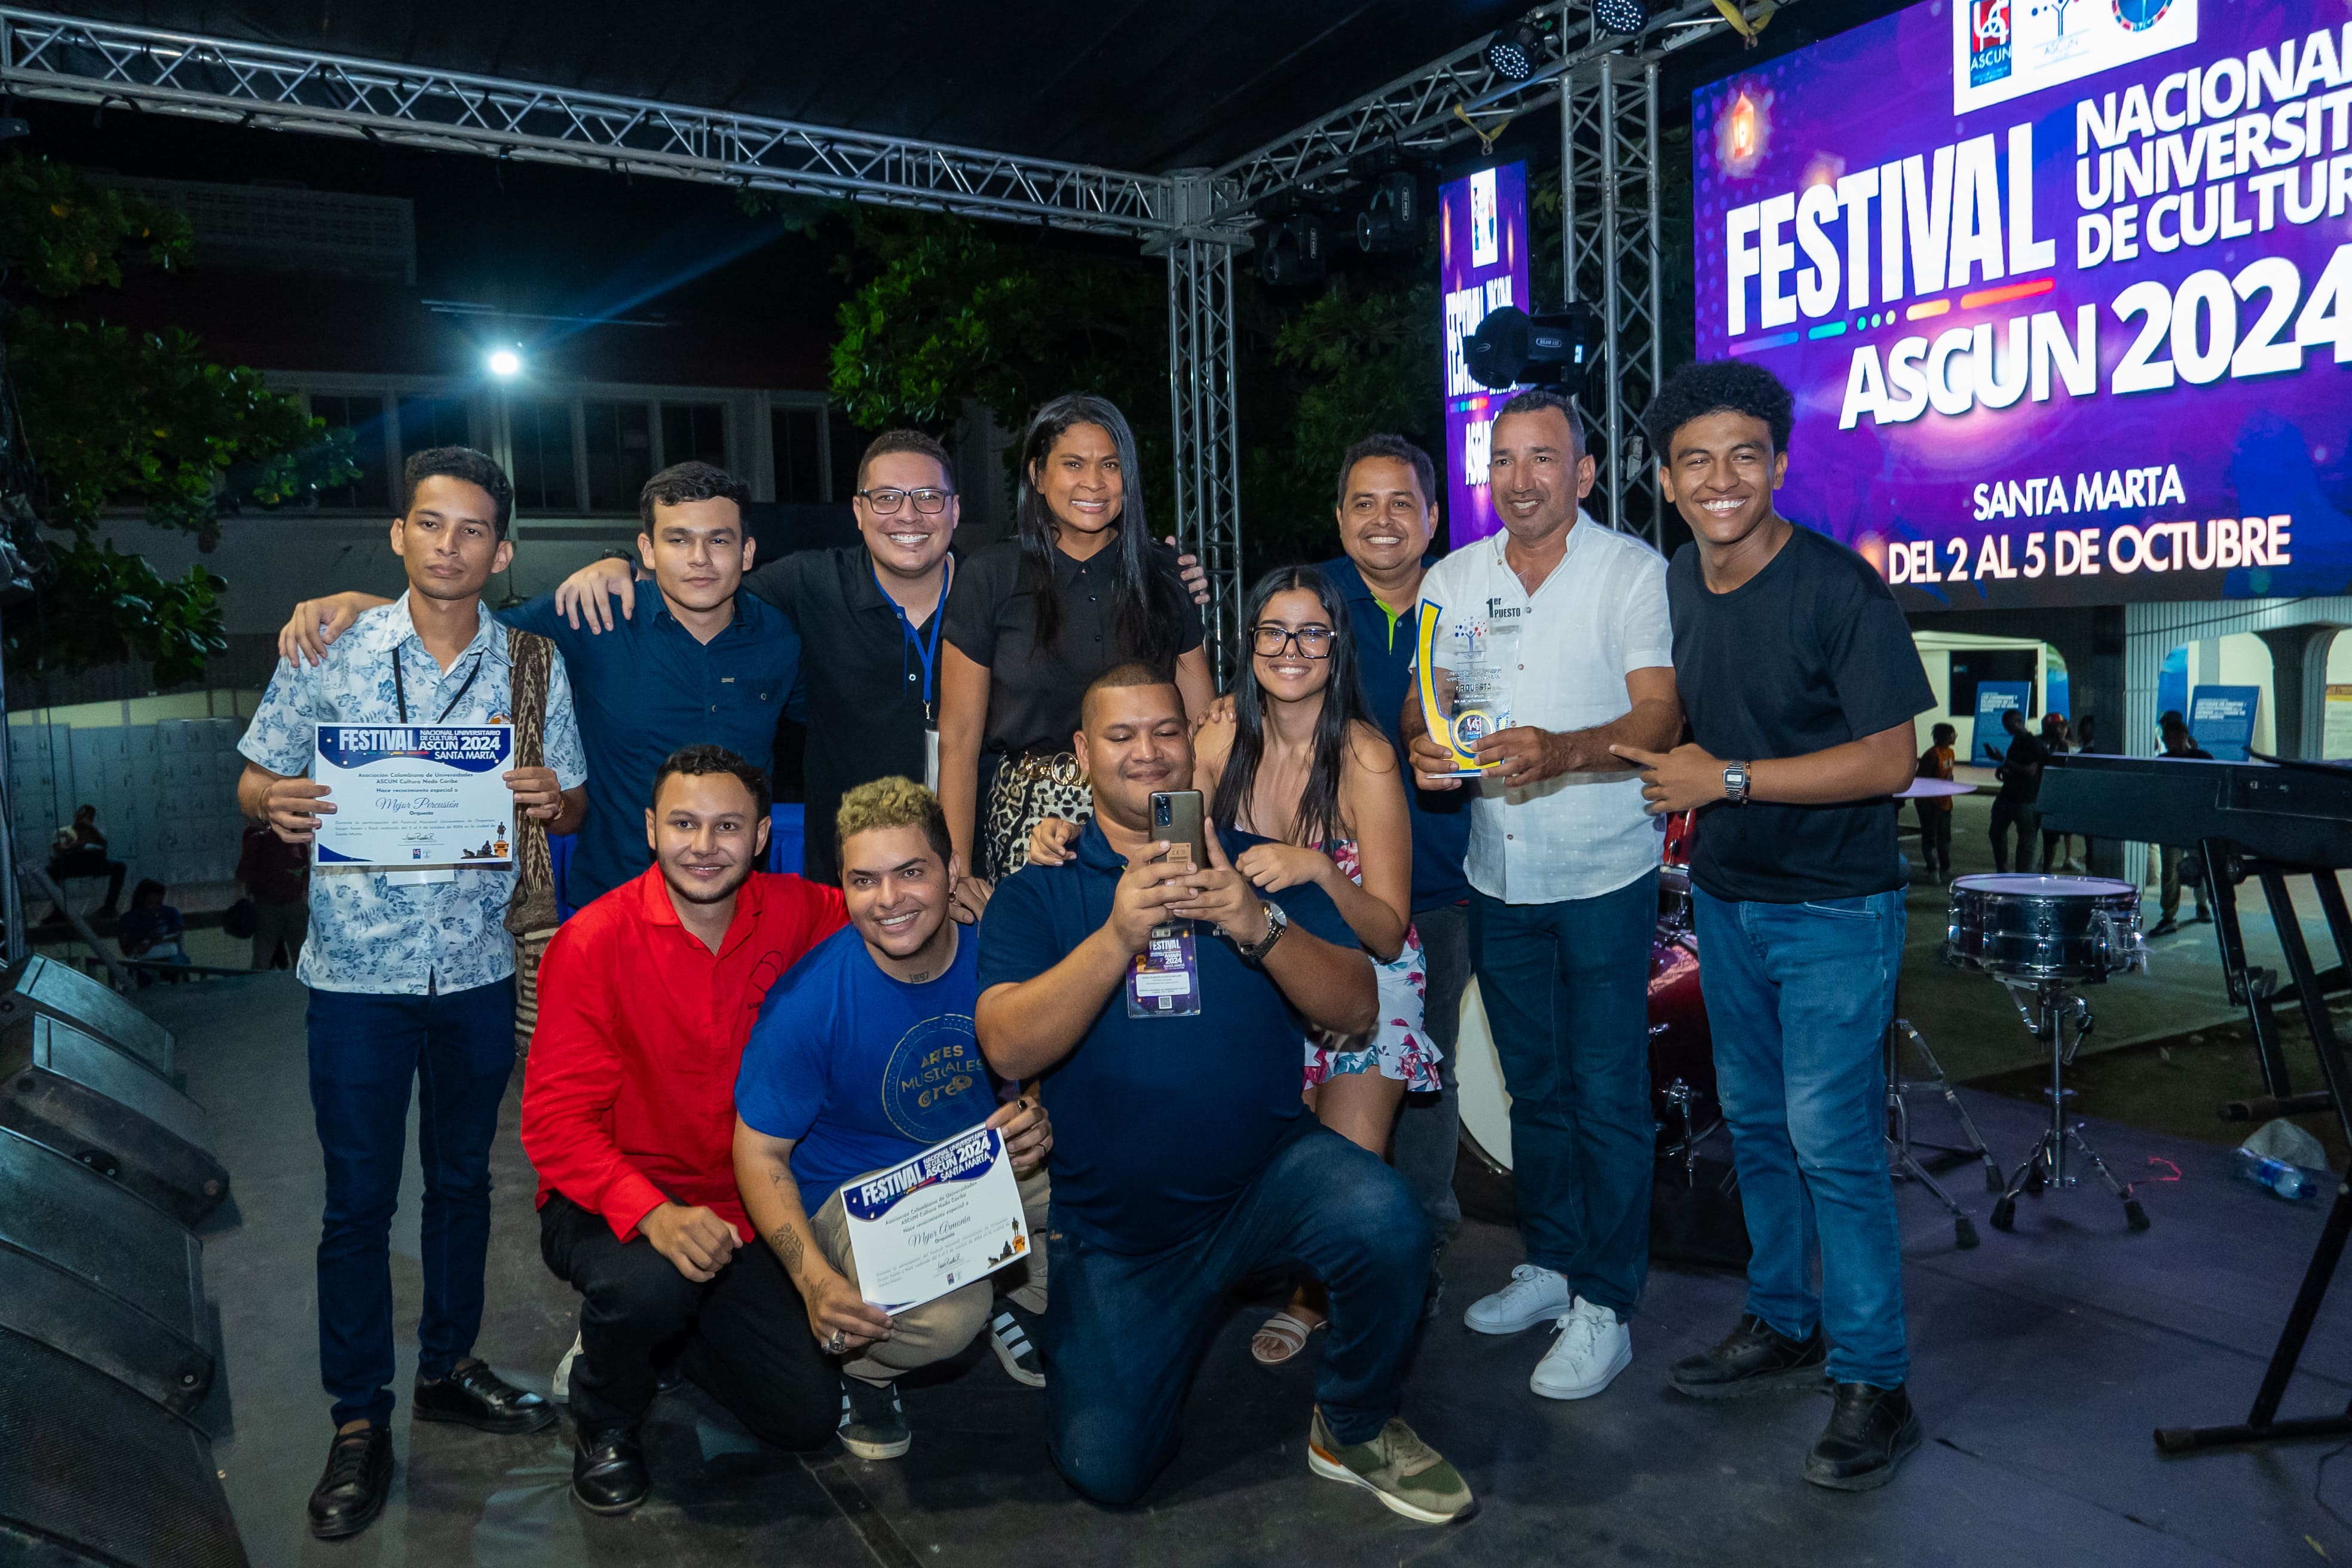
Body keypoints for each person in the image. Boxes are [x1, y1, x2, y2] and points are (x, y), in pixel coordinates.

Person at [975, 663, 1471, 1524]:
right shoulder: (1040, 890)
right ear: (1083, 754)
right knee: (1105, 1469)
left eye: (1166, 732)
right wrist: (1118, 933)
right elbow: (1007, 1042)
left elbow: (1358, 1007)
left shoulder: (1255, 866)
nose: (1147, 753)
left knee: (1387, 1216)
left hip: (1263, 1186)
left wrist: (1255, 922)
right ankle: (1089, 1336)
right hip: (1125, 1235)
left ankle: (1353, 1424)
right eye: (1121, 737)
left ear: (1195, 742)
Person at [235, 446, 587, 1541]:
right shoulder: (328, 644)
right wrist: (277, 800)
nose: (450, 544)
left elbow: (571, 804)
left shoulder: (532, 664)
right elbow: (254, 771)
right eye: (431, 523)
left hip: (479, 971)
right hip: (355, 978)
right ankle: (357, 1416)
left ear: (502, 548)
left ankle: (447, 1364)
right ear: (399, 534)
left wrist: (546, 795)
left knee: (461, 1189)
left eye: (473, 528)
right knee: (354, 1204)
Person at [1616, 359, 1935, 1492]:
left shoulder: (1840, 590)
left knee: (1832, 1141)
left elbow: (1892, 758)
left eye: (1744, 454)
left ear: (1779, 464)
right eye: (1695, 459)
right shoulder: (1673, 586)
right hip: (1732, 900)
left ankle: (1875, 1379)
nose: (1720, 477)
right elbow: (1667, 726)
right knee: (1752, 1125)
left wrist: (1733, 777)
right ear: (1663, 477)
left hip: (1838, 907)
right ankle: (1784, 1318)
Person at [1033, 566, 1427, 1364]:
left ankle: (1322, 1306)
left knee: (1346, 1180)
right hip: (1260, 962)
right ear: (1248, 646)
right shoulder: (1218, 736)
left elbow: (1387, 931)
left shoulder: (1366, 756)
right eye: (1273, 632)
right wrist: (1067, 832)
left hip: (1360, 976)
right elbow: (1157, 819)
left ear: (1336, 646)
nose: (1292, 649)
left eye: (1311, 632)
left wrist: (1319, 869)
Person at [550, 430, 1210, 888]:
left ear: (956, 509)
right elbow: (705, 571)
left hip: (985, 870)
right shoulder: (807, 585)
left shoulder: (1000, 586)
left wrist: (1167, 573)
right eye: (887, 498)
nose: (909, 515)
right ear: (858, 513)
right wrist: (620, 560)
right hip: (849, 880)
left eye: (928, 497)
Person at [1401, 388, 1680, 1403]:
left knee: (1607, 1090)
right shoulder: (1454, 574)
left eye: (1543, 459)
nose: (1521, 479)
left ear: (1584, 474)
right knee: (1532, 1084)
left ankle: (1607, 1300)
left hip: (1603, 869)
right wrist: (1423, 745)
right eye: (1505, 460)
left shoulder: (1631, 573)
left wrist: (1563, 750)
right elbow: (1423, 695)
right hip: (1496, 870)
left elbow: (1659, 711)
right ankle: (1556, 1260)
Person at [522, 746, 847, 1514]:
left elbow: (897, 913)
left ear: (763, 835)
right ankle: (605, 1416)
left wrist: (971, 894)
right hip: (609, 1198)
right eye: (684, 823)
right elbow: (555, 1124)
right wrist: (653, 1213)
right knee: (648, 1284)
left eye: (728, 825)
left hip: (743, 1205)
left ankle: (673, 1339)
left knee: (803, 1416)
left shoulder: (800, 910)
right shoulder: (593, 941)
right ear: (649, 828)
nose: (704, 846)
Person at [279, 460, 802, 912]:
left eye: (719, 540)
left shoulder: (782, 637)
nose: (699, 559)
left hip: (744, 907)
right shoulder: (596, 617)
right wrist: (359, 606)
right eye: (678, 539)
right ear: (647, 548)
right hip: (614, 906)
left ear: (748, 551)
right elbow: (465, 621)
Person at [734, 776, 1054, 1462]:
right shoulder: (808, 1002)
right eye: (865, 879)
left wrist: (1039, 1110)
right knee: (948, 1317)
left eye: (911, 871)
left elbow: (1060, 1049)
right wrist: (814, 1279)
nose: (889, 900)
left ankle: (1013, 1292)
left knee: (1118, 1173)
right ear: (843, 887)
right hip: (863, 1198)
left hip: (979, 1164)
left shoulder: (999, 952)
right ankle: (868, 1371)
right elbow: (757, 1154)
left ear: (953, 871)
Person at [938, 394, 1212, 914]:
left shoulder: (1164, 573)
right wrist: (956, 871)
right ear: (1038, 475)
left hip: (1147, 818)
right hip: (1027, 829)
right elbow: (958, 742)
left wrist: (1192, 841)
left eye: (1110, 465)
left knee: (1157, 986)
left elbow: (1200, 734)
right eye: (1073, 464)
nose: (1094, 482)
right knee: (1043, 983)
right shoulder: (991, 575)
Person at [1318, 436, 1475, 1289]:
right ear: (1340, 518)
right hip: (1327, 883)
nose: (1384, 521)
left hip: (1440, 884)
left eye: (1402, 504)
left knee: (1426, 1069)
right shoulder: (1308, 601)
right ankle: (1330, 1243)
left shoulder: (1466, 602)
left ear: (1432, 519)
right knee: (1325, 1061)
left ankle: (1421, 1240)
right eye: (1365, 504)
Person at [2151, 711, 2216, 937]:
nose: (2171, 743)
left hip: (2188, 824)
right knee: (2171, 871)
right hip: (2178, 825)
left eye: (2175, 738)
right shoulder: (2201, 758)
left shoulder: (2194, 759)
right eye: (2169, 739)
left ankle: (2199, 906)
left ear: (2185, 737)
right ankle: (2170, 915)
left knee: (2199, 868)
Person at [237, 821, 311, 970]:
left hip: (281, 903)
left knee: (267, 954)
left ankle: (265, 986)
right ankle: (298, 987)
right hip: (273, 904)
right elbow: (243, 872)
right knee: (270, 953)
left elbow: (242, 873)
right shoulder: (261, 840)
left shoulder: (297, 842)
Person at [1986, 708, 2047, 873]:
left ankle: (2022, 875)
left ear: (2019, 723)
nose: (2007, 729)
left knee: (2026, 838)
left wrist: (2004, 761)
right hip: (2011, 794)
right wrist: (2003, 767)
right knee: (1998, 832)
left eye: (2010, 725)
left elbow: (2030, 770)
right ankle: (2006, 870)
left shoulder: (2031, 743)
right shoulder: (2018, 741)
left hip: (2025, 797)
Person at [47, 803, 125, 918]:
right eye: (84, 814)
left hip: (92, 865)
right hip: (71, 866)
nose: (86, 818)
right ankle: (58, 911)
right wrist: (75, 845)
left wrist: (91, 829)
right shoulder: (64, 831)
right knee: (51, 871)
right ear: (76, 815)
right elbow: (59, 848)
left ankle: (109, 908)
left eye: (90, 816)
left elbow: (103, 845)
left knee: (119, 867)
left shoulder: (93, 831)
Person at [2037, 713, 2082, 871]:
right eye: (2060, 726)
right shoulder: (2039, 743)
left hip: (2059, 793)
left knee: (2060, 831)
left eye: (2065, 726)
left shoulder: (2064, 745)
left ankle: (2060, 861)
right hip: (2040, 792)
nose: (2064, 730)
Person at [115, 878, 190, 972]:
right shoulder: (128, 919)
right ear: (141, 900)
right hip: (143, 960)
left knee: (179, 963)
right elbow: (127, 949)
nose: (154, 907)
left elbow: (178, 934)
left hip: (170, 955)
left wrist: (161, 939)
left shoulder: (171, 913)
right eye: (150, 903)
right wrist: (146, 943)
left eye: (159, 903)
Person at [1914, 723, 1956, 886]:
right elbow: (1922, 779)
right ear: (1944, 736)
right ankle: (1933, 870)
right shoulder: (1932, 755)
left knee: (1945, 838)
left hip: (1945, 802)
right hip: (1930, 804)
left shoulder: (1950, 753)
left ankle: (1945, 869)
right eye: (1953, 734)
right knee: (1931, 838)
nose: (1955, 737)